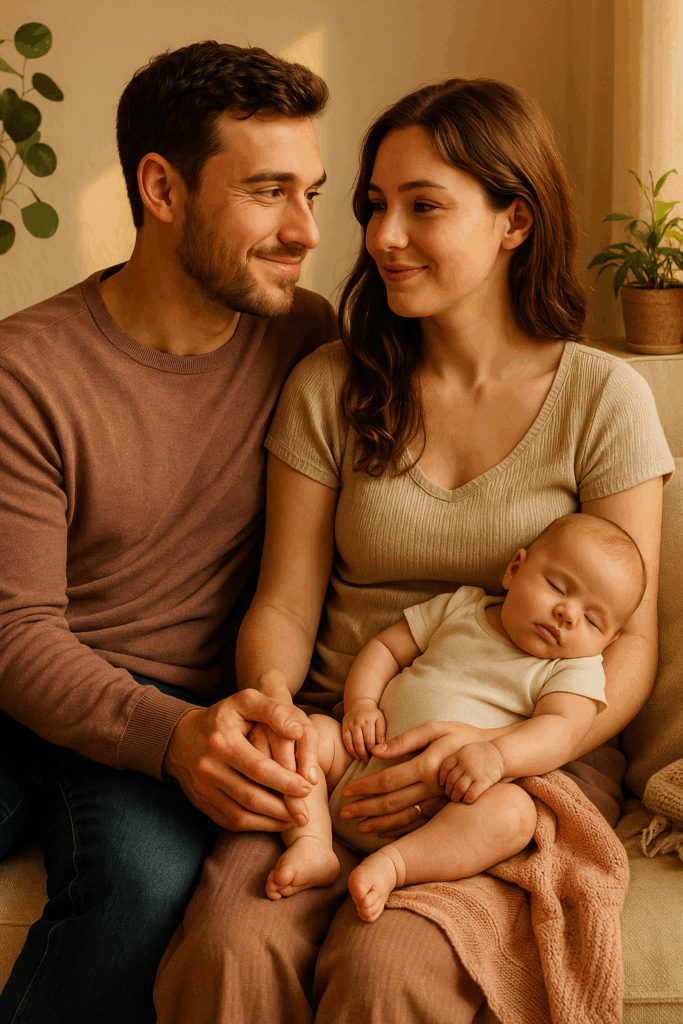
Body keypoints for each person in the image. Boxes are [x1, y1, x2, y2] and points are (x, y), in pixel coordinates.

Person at [154, 77, 674, 1024]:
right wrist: (279, 716)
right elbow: (281, 604)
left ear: (513, 219)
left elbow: (627, 645)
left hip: (522, 754)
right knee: (235, 941)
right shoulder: (330, 383)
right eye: (374, 206)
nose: (382, 236)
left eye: (422, 206)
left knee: (388, 965)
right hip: (344, 738)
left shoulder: (603, 399)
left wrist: (504, 752)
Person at [0, 41, 338, 1024]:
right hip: (40, 694)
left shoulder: (306, 342)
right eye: (270, 191)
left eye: (310, 191)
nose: (306, 230)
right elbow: (16, 632)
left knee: (143, 884)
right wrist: (173, 736)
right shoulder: (27, 371)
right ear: (160, 187)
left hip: (180, 716)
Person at [265, 512, 646, 921]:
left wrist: (496, 754)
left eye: (591, 619)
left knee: (513, 814)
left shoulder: (574, 669)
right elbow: (387, 649)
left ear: (610, 640)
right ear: (515, 569)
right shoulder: (462, 607)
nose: (567, 614)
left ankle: (396, 864)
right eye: (557, 586)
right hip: (361, 762)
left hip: (451, 806)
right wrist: (361, 703)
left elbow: (562, 729)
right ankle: (312, 841)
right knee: (306, 735)